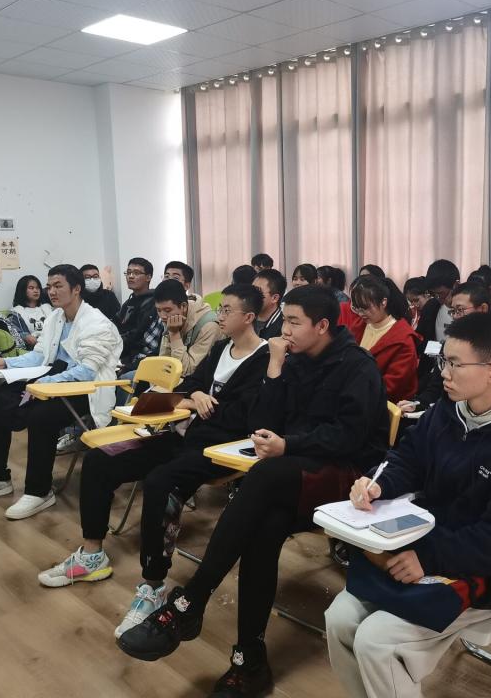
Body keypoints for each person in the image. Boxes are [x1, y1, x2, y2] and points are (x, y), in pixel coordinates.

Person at [117, 285, 390, 696]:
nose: (285, 330)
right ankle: (248, 659)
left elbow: (348, 437)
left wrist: (288, 445)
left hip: (347, 478)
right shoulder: (293, 359)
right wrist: (275, 367)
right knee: (264, 529)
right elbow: (262, 422)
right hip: (294, 472)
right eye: (286, 321)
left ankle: (191, 600)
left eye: (294, 322)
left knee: (264, 476)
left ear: (322, 326)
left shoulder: (357, 367)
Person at [325, 313, 491, 698]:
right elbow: (407, 457)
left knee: (376, 641)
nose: (444, 374)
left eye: (455, 364)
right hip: (420, 550)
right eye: (443, 361)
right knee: (338, 619)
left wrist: (428, 557)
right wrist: (378, 484)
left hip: (482, 574)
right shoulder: (447, 411)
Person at [37, 285, 270, 627]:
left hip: (218, 448)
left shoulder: (264, 360)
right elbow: (190, 385)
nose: (219, 316)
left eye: (226, 311)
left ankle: (153, 584)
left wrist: (195, 400)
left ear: (248, 317)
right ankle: (92, 555)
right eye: (219, 309)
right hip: (183, 435)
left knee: (160, 482)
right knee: (99, 460)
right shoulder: (222, 348)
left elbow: (240, 417)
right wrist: (196, 397)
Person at [0, 264, 122, 520]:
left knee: (41, 416)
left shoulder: (97, 322)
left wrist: (48, 383)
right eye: (49, 286)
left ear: (76, 289)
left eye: (58, 286)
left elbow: (87, 371)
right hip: (51, 377)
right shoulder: (56, 317)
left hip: (85, 389)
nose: (51, 292)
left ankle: (39, 491)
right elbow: (39, 355)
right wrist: (6, 363)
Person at [398, 282, 491, 418]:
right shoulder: (450, 343)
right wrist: (418, 404)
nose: (455, 316)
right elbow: (435, 387)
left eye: (460, 310)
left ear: (482, 309)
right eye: (453, 311)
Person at [349, 275, 420, 401]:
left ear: (383, 302)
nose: (360, 313)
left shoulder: (403, 339)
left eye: (365, 308)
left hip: (382, 403)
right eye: (357, 308)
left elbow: (392, 385)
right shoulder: (359, 325)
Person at [155, 279, 221, 376]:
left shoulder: (209, 326)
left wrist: (174, 334)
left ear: (184, 306)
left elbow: (187, 371)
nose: (162, 316)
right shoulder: (171, 318)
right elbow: (163, 364)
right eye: (158, 310)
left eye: (167, 310)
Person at [117, 257, 161, 374]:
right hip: (124, 353)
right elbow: (116, 325)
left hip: (142, 357)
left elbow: (138, 335)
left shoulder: (154, 303)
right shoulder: (128, 302)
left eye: (136, 273)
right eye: (128, 272)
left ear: (148, 277)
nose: (130, 276)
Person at [8, 274, 53, 348]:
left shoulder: (46, 307)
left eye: (38, 288)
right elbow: (18, 333)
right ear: (22, 290)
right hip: (34, 347)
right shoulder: (17, 312)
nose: (36, 291)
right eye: (31, 288)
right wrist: (26, 337)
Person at [423, 259, 460, 344]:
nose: (437, 298)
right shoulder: (430, 306)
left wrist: (449, 307)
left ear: (455, 285)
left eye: (440, 293)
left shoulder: (468, 305)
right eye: (433, 293)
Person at [252, 268, 285, 340]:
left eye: (257, 291)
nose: (251, 295)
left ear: (274, 298)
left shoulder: (283, 329)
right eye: (251, 289)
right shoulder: (246, 319)